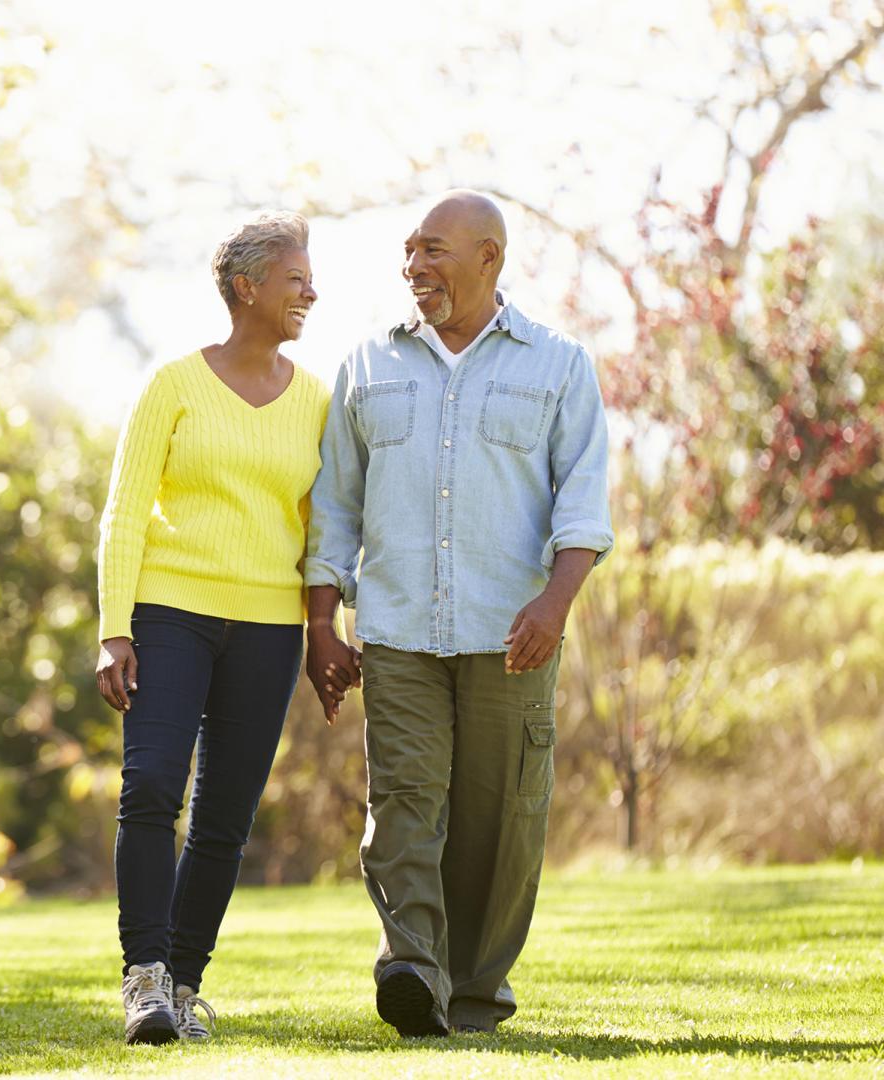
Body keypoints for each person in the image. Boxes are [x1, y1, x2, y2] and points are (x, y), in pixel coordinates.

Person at [303, 190, 614, 1037]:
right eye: (408, 252)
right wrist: (322, 622)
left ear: (489, 257)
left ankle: (473, 993)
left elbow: (582, 502)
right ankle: (411, 968)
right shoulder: (369, 364)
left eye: (433, 250)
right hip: (398, 630)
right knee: (403, 801)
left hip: (511, 632)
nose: (414, 268)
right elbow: (335, 502)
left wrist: (556, 601)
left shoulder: (558, 364)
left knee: (499, 820)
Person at [94, 211, 329, 1045]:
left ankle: (185, 987)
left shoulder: (315, 401)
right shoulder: (173, 386)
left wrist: (325, 628)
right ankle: (145, 978)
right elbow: (124, 513)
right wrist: (113, 629)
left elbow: (320, 527)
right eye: (296, 277)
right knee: (153, 784)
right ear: (246, 287)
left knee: (226, 814)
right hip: (170, 611)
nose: (311, 290)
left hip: (267, 626)